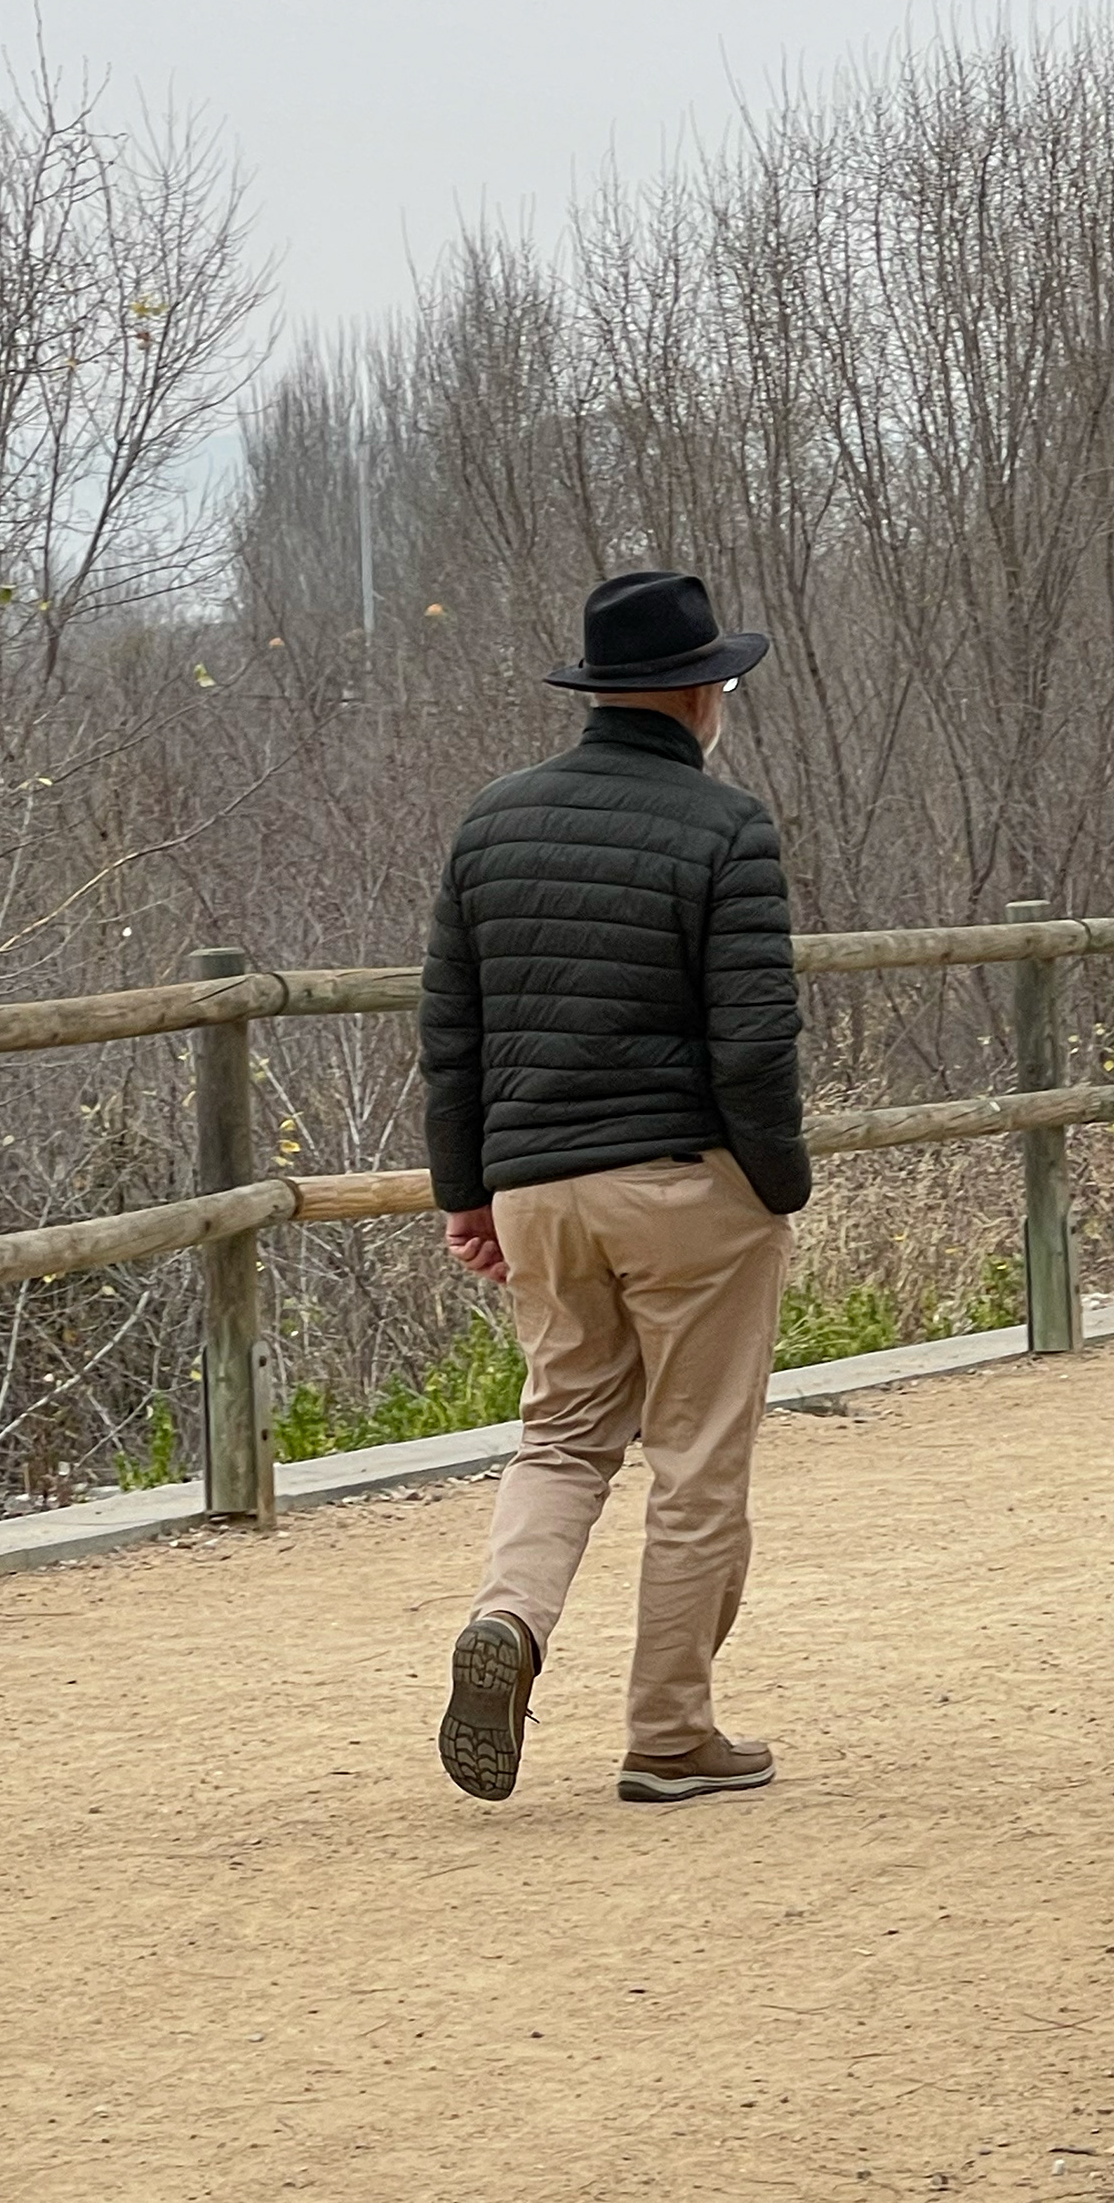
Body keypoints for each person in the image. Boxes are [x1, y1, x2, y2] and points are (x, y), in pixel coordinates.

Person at [420, 569, 810, 1805]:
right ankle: (670, 1732)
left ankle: (510, 1619)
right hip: (686, 1185)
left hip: (537, 1187)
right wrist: (778, 1187)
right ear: (702, 693)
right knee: (696, 1459)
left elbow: (453, 1032)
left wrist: (469, 1192)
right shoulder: (727, 828)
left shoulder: (492, 822)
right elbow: (755, 1041)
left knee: (562, 1434)